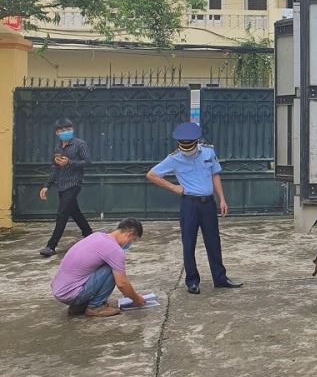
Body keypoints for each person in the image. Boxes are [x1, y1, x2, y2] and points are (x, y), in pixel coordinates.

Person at [146, 122, 242, 295]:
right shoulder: (174, 158)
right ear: (178, 145)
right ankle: (192, 281)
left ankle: (220, 278)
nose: (187, 150)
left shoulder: (208, 151)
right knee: (189, 243)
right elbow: (152, 174)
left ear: (197, 141)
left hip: (208, 204)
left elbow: (215, 174)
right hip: (189, 204)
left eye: (190, 146)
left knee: (213, 242)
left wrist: (222, 199)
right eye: (184, 147)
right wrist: (174, 187)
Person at [50, 217, 145, 317]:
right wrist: (136, 299)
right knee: (112, 268)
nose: (130, 244)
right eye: (132, 240)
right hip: (71, 294)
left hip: (61, 290)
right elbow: (122, 283)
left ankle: (79, 306)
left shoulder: (97, 236)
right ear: (129, 235)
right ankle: (96, 306)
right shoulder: (114, 250)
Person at [39, 118, 94, 257]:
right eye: (63, 130)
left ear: (73, 129)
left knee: (62, 213)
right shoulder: (58, 147)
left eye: (69, 129)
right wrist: (47, 186)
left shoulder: (80, 144)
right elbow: (55, 168)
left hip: (74, 183)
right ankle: (89, 234)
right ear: (57, 132)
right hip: (62, 184)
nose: (66, 132)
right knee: (74, 211)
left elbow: (87, 162)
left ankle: (51, 246)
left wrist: (69, 162)